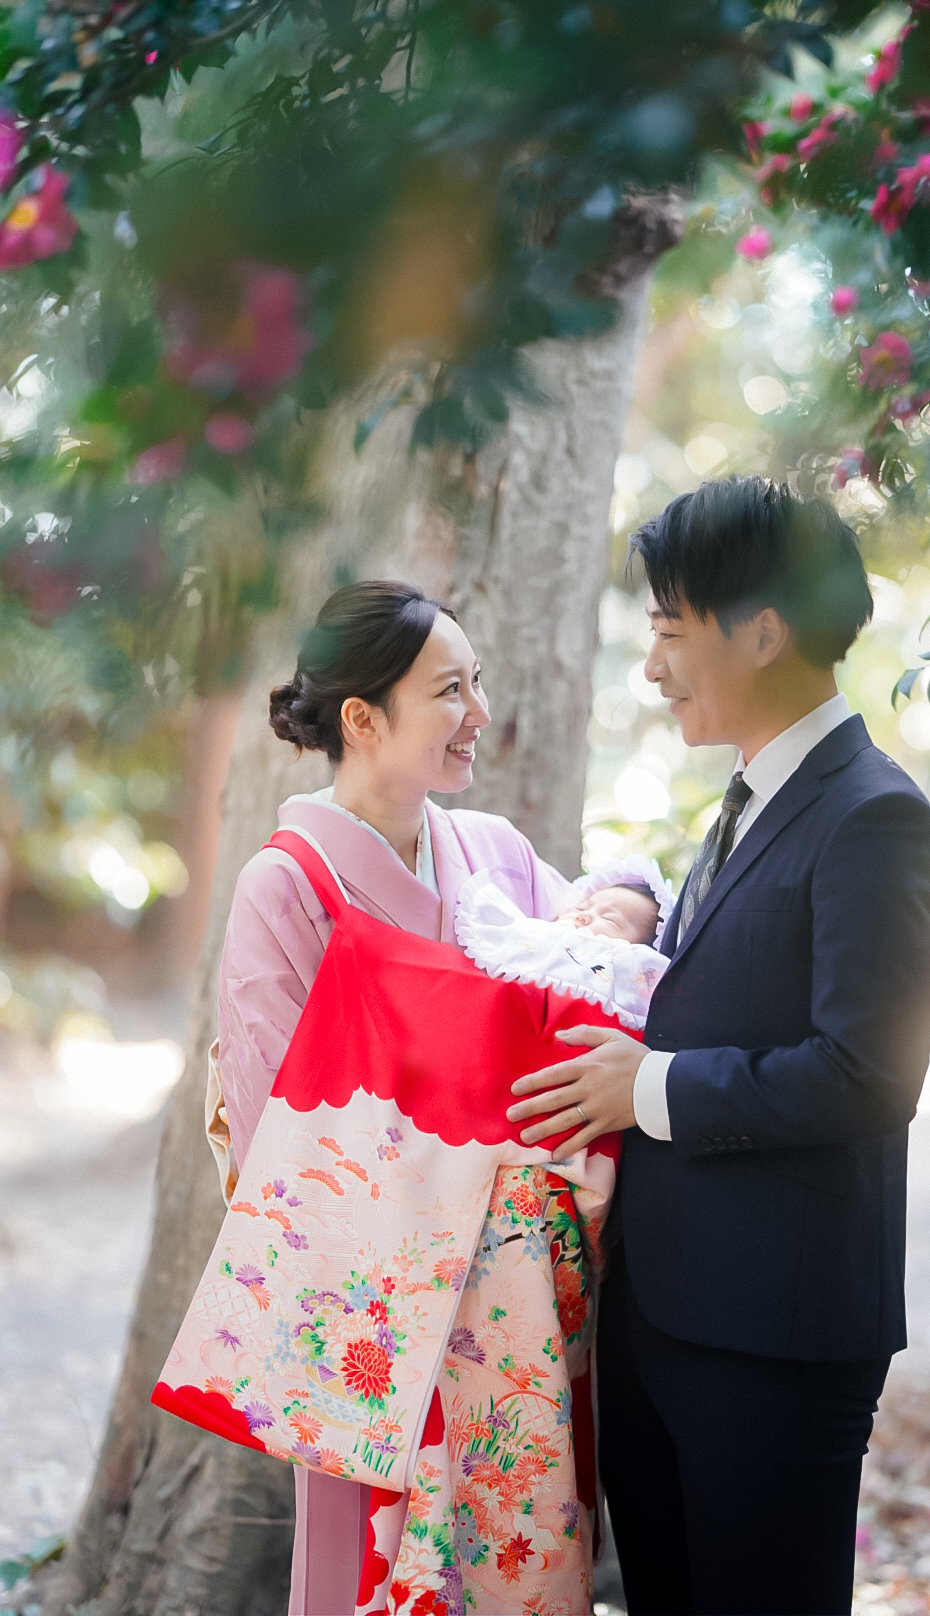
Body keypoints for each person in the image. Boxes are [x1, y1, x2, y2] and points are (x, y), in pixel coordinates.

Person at [506, 475, 930, 1616]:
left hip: (775, 1335)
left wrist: (644, 1086)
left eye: (668, 629)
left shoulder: (874, 818)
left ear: (762, 630)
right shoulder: (750, 797)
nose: (651, 665)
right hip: (666, 1320)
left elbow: (870, 1073)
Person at [210, 580, 608, 1616]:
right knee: (369, 1573)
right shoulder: (287, 884)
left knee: (523, 1545)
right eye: (449, 690)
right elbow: (276, 1143)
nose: (479, 711)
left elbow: (597, 995)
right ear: (362, 718)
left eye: (477, 684)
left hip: (521, 1309)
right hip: (378, 1311)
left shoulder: (501, 857)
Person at [455, 855, 673, 1029]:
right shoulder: (542, 931)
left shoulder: (627, 964)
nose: (584, 915)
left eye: (609, 918)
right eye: (582, 907)